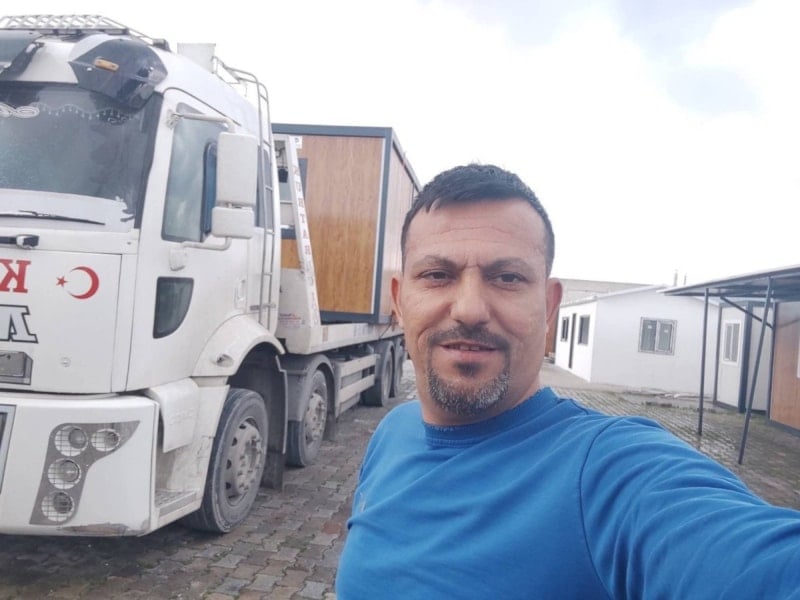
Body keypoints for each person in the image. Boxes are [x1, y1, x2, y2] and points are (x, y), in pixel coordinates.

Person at [335, 164, 800, 599]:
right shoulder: (393, 432)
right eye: (437, 275)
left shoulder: (608, 473)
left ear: (550, 306)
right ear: (399, 300)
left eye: (508, 277)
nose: (470, 309)